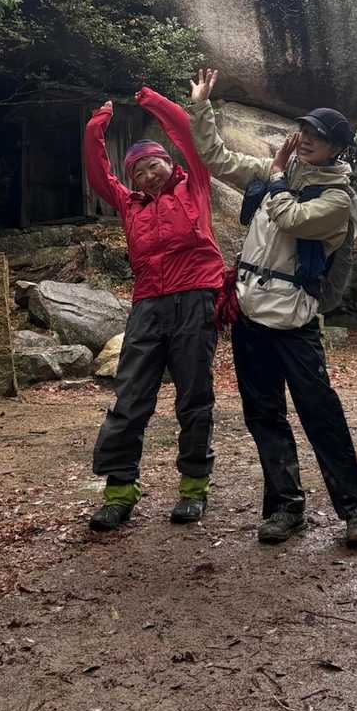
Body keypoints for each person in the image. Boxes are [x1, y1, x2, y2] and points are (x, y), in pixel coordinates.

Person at [187, 68, 357, 550]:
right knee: (263, 414)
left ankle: (356, 510)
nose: (307, 139)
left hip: (295, 321)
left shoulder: (337, 200)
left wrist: (275, 176)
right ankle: (284, 507)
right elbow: (216, 157)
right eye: (305, 130)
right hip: (250, 314)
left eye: (319, 136)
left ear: (337, 148)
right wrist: (201, 106)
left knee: (321, 414)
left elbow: (291, 218)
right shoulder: (277, 171)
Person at [83, 86, 225, 531]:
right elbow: (98, 174)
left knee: (194, 397)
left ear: (168, 162)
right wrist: (96, 127)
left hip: (197, 297)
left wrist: (150, 99)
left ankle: (193, 488)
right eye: (138, 171)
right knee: (130, 398)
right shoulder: (129, 205)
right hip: (148, 304)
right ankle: (120, 491)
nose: (147, 175)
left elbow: (186, 133)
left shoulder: (195, 183)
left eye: (153, 165)